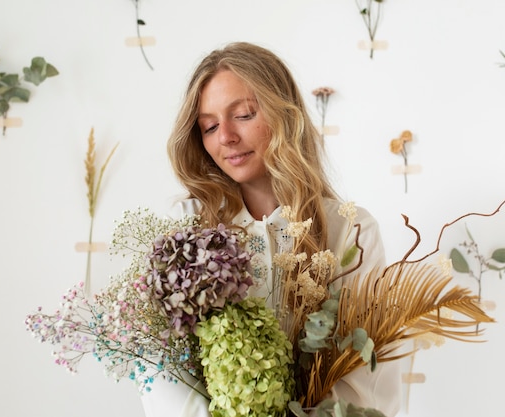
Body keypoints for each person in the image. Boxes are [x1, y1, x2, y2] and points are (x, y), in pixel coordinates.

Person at [140, 41, 401, 417]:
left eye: (243, 115)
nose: (225, 136)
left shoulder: (351, 230)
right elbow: (158, 367)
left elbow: (369, 377)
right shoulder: (184, 228)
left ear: (286, 116)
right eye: (209, 126)